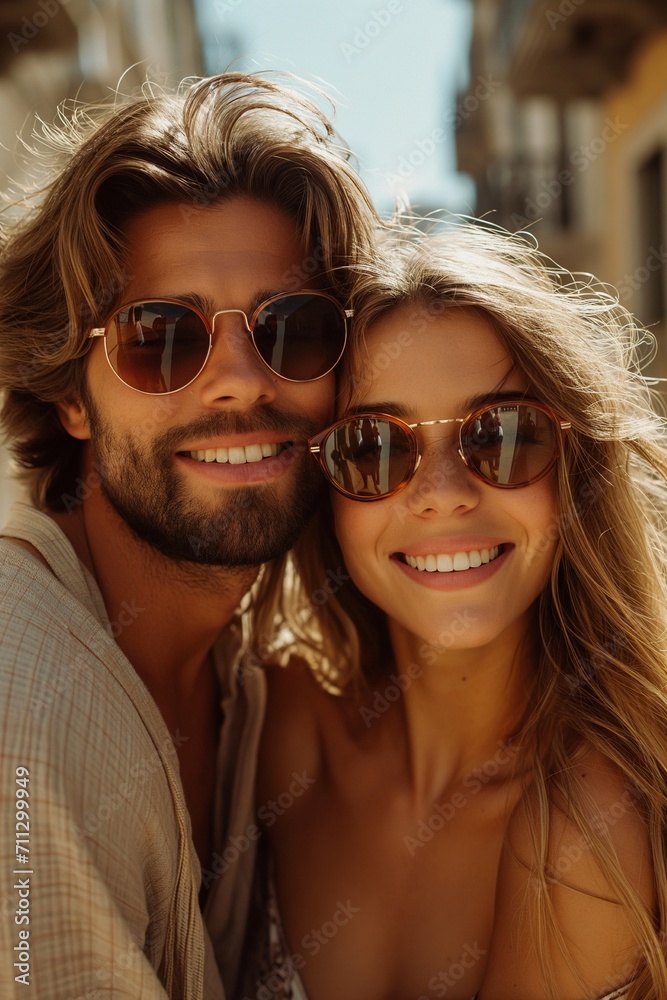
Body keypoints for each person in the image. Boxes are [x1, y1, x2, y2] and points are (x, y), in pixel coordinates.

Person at [0, 71, 379, 998]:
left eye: (292, 330)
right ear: (67, 394)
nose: (242, 382)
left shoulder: (255, 674)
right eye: (161, 336)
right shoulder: (28, 705)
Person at [244, 225, 667, 1000]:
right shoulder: (282, 730)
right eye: (373, 446)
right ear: (324, 491)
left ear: (574, 467)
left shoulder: (580, 824)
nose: (441, 491)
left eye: (502, 434)